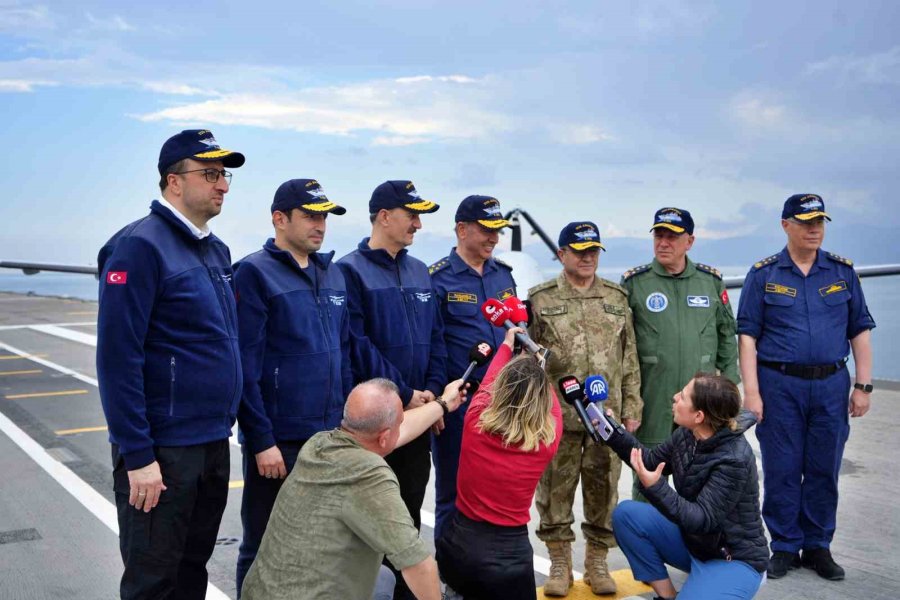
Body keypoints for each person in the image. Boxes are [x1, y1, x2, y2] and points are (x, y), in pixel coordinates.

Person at [96, 129, 245, 599]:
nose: (223, 185)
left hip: (210, 444)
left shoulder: (215, 251)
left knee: (191, 572)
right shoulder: (140, 246)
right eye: (210, 173)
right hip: (163, 452)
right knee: (152, 581)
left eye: (224, 175)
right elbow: (119, 359)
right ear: (173, 181)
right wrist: (138, 455)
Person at [736, 194, 875, 581]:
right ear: (786, 225)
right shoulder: (764, 274)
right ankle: (783, 545)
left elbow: (859, 330)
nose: (814, 228)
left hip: (831, 384)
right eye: (805, 222)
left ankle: (817, 545)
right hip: (779, 384)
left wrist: (863, 385)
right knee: (781, 466)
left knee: (823, 467)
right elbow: (747, 337)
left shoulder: (842, 272)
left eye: (819, 222)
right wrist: (752, 392)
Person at [240, 377, 467, 600]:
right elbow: (418, 565)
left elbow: (398, 429)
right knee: (390, 577)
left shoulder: (319, 444)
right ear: (384, 436)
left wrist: (443, 403)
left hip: (262, 591)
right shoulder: (368, 474)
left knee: (383, 577)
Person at [232, 178, 352, 595]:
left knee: (320, 543)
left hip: (330, 436)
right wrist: (260, 438)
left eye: (324, 217)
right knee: (264, 542)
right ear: (279, 219)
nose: (320, 225)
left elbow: (346, 353)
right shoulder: (253, 273)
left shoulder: (333, 274)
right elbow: (245, 366)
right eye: (310, 216)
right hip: (279, 441)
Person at [338, 180, 447, 599]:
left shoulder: (420, 270)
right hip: (376, 425)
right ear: (384, 216)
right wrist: (404, 394)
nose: (418, 224)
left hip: (417, 417)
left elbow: (436, 337)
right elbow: (358, 343)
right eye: (411, 215)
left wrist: (433, 393)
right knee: (369, 524)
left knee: (406, 521)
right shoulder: (349, 270)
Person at [528, 221, 642, 596]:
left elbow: (629, 358)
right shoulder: (540, 299)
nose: (588, 257)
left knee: (604, 489)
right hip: (557, 415)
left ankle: (596, 562)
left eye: (594, 250)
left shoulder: (616, 297)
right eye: (580, 251)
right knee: (555, 493)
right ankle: (560, 563)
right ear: (562, 255)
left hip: (605, 417)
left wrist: (632, 405)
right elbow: (527, 360)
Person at [606, 374, 768, 600]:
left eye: (682, 397)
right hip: (696, 545)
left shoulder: (735, 459)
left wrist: (656, 486)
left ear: (699, 416)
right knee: (627, 516)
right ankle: (667, 596)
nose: (674, 398)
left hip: (733, 559)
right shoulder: (688, 434)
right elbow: (651, 461)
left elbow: (700, 519)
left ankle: (727, 587)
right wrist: (613, 432)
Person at [621, 207, 739, 501]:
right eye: (659, 235)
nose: (663, 243)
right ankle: (646, 540)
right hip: (654, 398)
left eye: (672, 237)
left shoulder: (709, 281)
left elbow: (726, 334)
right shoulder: (636, 283)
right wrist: (629, 401)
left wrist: (731, 388)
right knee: (648, 478)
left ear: (690, 241)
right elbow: (622, 346)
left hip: (702, 402)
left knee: (702, 479)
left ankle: (693, 544)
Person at [435, 325, 561, 600]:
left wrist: (506, 345)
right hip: (509, 562)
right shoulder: (545, 443)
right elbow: (551, 406)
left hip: (458, 548)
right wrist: (538, 360)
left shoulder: (475, 421)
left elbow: (490, 381)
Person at [428, 194, 516, 541]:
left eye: (497, 230)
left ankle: (489, 569)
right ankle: (452, 579)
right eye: (486, 230)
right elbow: (433, 346)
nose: (494, 237)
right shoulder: (437, 279)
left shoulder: (503, 276)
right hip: (461, 403)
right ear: (462, 230)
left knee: (498, 490)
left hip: (504, 403)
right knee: (453, 493)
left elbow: (516, 329)